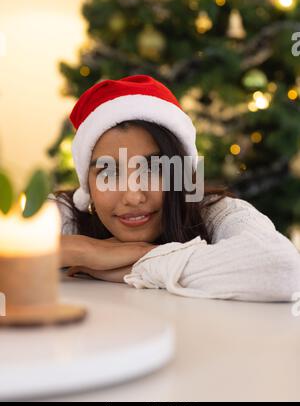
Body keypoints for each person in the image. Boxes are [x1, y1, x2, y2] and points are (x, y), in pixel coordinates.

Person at [48, 74, 300, 302]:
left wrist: (143, 260)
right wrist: (86, 249)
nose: (134, 196)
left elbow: (284, 269)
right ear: (88, 185)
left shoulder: (216, 212)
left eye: (154, 169)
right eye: (109, 173)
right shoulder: (65, 214)